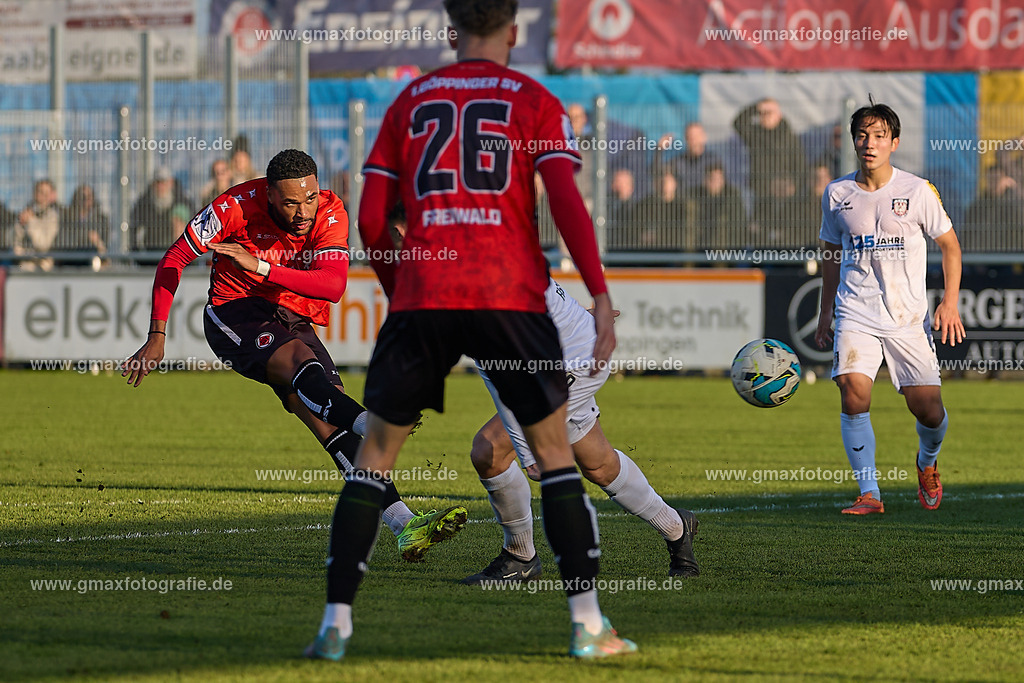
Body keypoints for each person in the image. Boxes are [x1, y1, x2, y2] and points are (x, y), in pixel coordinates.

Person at [306, 0, 630, 661]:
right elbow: (565, 201)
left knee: (372, 461)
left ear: (451, 32)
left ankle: (335, 623)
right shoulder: (535, 99)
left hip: (426, 291)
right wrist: (598, 292)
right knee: (556, 458)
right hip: (508, 291)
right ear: (514, 32)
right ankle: (588, 625)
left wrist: (403, 297)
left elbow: (372, 218)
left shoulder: (407, 102)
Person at [121, 149, 466, 563]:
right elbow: (174, 259)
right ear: (268, 195)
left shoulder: (331, 212)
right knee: (305, 366)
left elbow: (333, 286)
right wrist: (157, 334)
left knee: (328, 418)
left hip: (292, 315)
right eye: (289, 203)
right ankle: (372, 422)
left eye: (309, 199)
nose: (303, 212)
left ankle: (403, 524)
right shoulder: (233, 207)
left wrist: (262, 266)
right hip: (236, 312)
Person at [463, 278, 699, 585]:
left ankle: (519, 558)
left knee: (488, 450)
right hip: (558, 359)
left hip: (575, 362)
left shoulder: (484, 292)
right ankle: (676, 527)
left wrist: (526, 451)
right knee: (599, 465)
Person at [814, 101, 965, 516]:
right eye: (862, 134)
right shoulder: (837, 193)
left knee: (928, 410)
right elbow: (830, 256)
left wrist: (949, 303)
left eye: (879, 135)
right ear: (853, 141)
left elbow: (950, 246)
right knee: (853, 391)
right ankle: (869, 493)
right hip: (855, 312)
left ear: (894, 143)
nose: (869, 143)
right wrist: (826, 312)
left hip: (906, 318)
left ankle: (927, 461)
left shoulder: (917, 191)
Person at [733, 98, 808, 232]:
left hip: (784, 194)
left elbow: (800, 166)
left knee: (783, 229)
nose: (765, 116)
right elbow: (738, 123)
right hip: (759, 191)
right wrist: (755, 107)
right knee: (758, 231)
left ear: (779, 115)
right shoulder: (755, 134)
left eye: (769, 112)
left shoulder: (789, 137)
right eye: (762, 113)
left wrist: (793, 185)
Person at [130, 167, 194, 258]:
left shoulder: (183, 201)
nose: (161, 187)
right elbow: (135, 230)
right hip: (150, 253)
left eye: (164, 182)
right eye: (158, 182)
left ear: (171, 183)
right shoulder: (143, 204)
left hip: (176, 254)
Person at [690, 162, 746, 250]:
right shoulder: (694, 195)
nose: (714, 182)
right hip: (699, 243)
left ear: (723, 180)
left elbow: (740, 223)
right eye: (711, 178)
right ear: (705, 179)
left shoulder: (733, 196)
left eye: (718, 179)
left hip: (726, 245)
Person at [13, 179, 61, 271]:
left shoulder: (52, 216)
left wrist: (30, 221)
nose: (43, 196)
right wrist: (21, 223)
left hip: (44, 265)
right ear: (34, 193)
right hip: (23, 263)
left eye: (46, 193)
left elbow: (43, 245)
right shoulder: (25, 211)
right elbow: (14, 242)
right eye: (40, 192)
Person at [58, 184, 109, 269]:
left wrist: (96, 241)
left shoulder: (101, 219)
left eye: (88, 196)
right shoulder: (67, 217)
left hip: (92, 255)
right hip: (71, 256)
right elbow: (65, 239)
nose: (86, 200)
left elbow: (104, 244)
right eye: (82, 196)